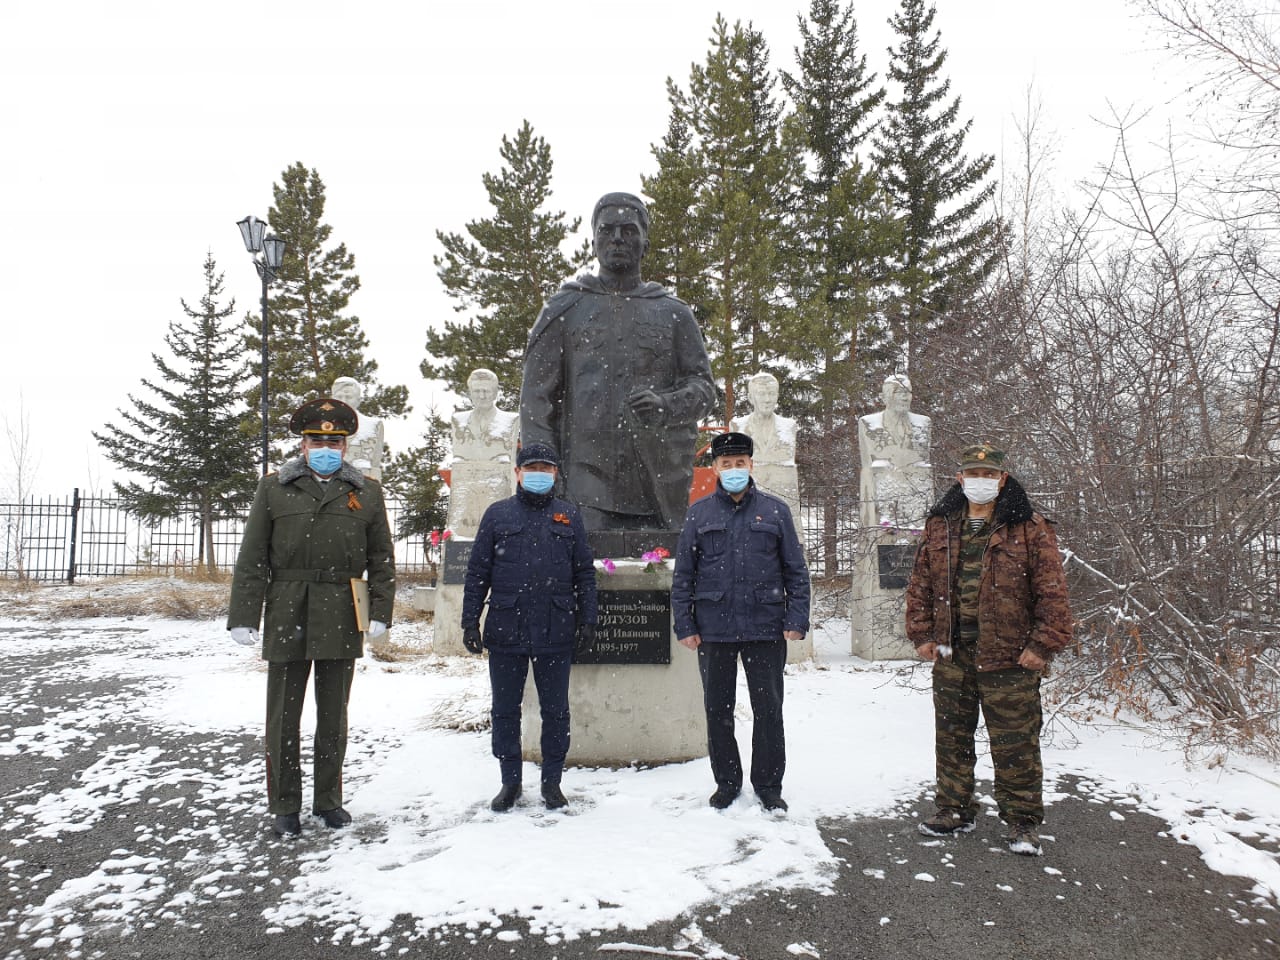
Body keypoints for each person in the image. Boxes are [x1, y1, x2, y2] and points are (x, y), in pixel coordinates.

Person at [227, 397, 396, 837]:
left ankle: (328, 800)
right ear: (302, 444)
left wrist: (380, 611)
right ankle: (284, 804)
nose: (325, 447)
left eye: (334, 441)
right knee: (283, 714)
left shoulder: (367, 492)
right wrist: (243, 614)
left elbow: (382, 558)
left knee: (333, 714)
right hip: (286, 605)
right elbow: (252, 558)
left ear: (344, 446)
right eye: (317, 440)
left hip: (341, 608)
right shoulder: (273, 489)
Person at [905, 443, 1072, 855]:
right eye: (972, 474)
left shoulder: (1029, 527)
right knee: (952, 737)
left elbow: (1052, 594)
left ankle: (1022, 822)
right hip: (952, 652)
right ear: (959, 479)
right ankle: (953, 808)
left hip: (1010, 656)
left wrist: (1042, 645)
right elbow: (920, 584)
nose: (980, 481)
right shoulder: (941, 524)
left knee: (1015, 743)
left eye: (988, 475)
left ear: (1002, 478)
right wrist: (923, 635)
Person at [521, 192, 715, 532]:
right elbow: (537, 400)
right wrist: (542, 468)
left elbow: (703, 389)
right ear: (593, 242)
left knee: (661, 579)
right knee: (583, 578)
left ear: (645, 243)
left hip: (658, 482)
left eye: (628, 230)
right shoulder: (565, 309)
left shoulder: (674, 313)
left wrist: (666, 406)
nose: (617, 239)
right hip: (584, 481)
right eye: (607, 230)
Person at [671, 432, 811, 812]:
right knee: (718, 709)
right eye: (726, 464)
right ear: (714, 468)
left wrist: (796, 617)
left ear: (751, 465)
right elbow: (684, 573)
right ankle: (727, 782)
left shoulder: (775, 511)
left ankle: (768, 785)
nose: (733, 470)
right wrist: (684, 624)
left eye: (740, 463)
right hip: (713, 628)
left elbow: (795, 571)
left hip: (765, 626)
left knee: (768, 710)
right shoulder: (700, 513)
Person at [461, 442, 598, 812]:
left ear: (555, 474)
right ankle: (510, 782)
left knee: (556, 711)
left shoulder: (569, 515)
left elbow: (584, 572)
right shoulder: (498, 514)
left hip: (556, 629)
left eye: (547, 468)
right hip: (507, 627)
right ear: (518, 473)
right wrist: (469, 620)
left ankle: (552, 782)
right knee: (505, 709)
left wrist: (588, 619)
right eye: (532, 467)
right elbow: (477, 572)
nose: (540, 474)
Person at [330, 377, 385, 481]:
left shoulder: (374, 425)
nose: (343, 401)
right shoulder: (320, 426)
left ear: (358, 400)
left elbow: (375, 465)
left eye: (349, 397)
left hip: (363, 485)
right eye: (339, 397)